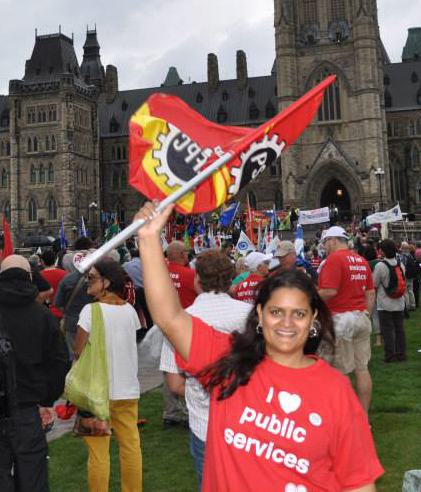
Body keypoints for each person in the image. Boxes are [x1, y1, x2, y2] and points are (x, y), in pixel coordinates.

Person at [137, 202, 383, 492]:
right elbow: (169, 317)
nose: (287, 323)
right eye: (277, 311)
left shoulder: (336, 390)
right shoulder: (229, 364)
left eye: (299, 313)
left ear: (313, 319)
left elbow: (358, 483)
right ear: (260, 315)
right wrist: (149, 238)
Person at [0, 254, 70, 491]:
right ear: (30, 278)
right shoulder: (41, 315)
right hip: (23, 409)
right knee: (32, 478)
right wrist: (47, 398)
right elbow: (59, 363)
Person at [159, 250, 254, 488]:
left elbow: (174, 383)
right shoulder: (250, 316)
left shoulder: (181, 320)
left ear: (197, 280)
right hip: (247, 420)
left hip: (205, 423)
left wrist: (202, 390)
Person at [74, 259, 142, 492]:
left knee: (98, 452)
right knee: (130, 446)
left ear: (107, 282)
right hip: (127, 389)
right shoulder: (130, 310)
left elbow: (78, 349)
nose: (87, 282)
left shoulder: (90, 311)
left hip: (97, 393)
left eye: (92, 278)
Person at [317, 225, 376, 413]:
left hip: (340, 320)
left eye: (326, 242)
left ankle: (342, 420)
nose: (325, 246)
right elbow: (371, 292)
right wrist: (366, 311)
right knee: (361, 369)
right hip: (361, 318)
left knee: (338, 372)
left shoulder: (333, 260)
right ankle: (363, 417)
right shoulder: (360, 260)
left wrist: (307, 298)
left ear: (333, 241)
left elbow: (329, 291)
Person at [373, 239, 406, 363]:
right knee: (399, 329)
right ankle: (401, 354)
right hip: (399, 302)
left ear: (383, 251)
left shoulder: (380, 266)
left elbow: (375, 284)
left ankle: (390, 356)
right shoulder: (400, 264)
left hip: (385, 303)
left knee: (387, 331)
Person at [167, 240, 199, 308]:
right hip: (188, 314)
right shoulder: (191, 274)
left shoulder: (161, 272)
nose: (187, 254)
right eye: (186, 252)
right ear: (182, 255)